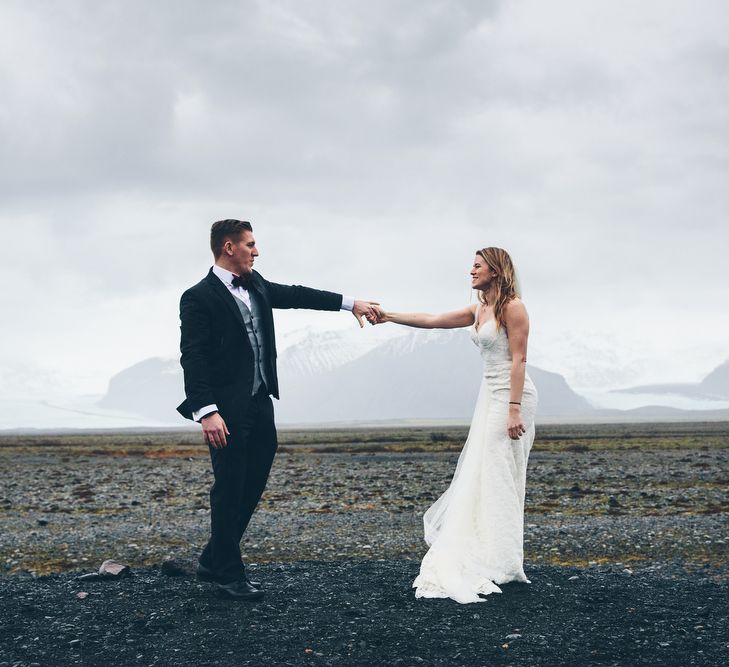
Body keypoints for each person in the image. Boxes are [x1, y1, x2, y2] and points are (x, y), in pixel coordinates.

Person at [177, 219, 378, 600]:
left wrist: (352, 303)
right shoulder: (197, 297)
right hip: (224, 410)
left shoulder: (258, 285)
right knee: (229, 486)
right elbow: (194, 356)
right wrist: (206, 411)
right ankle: (227, 574)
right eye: (250, 244)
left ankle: (213, 558)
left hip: (260, 402)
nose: (256, 251)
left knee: (253, 482)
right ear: (228, 247)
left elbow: (300, 294)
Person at [368, 247, 537, 603]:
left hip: (512, 398)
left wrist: (514, 409)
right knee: (483, 474)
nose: (471, 271)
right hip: (492, 396)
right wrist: (389, 316)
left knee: (499, 474)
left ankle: (503, 561)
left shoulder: (513, 307)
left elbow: (520, 359)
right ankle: (493, 555)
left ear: (496, 270)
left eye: (477, 266)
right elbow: (432, 319)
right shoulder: (479, 308)